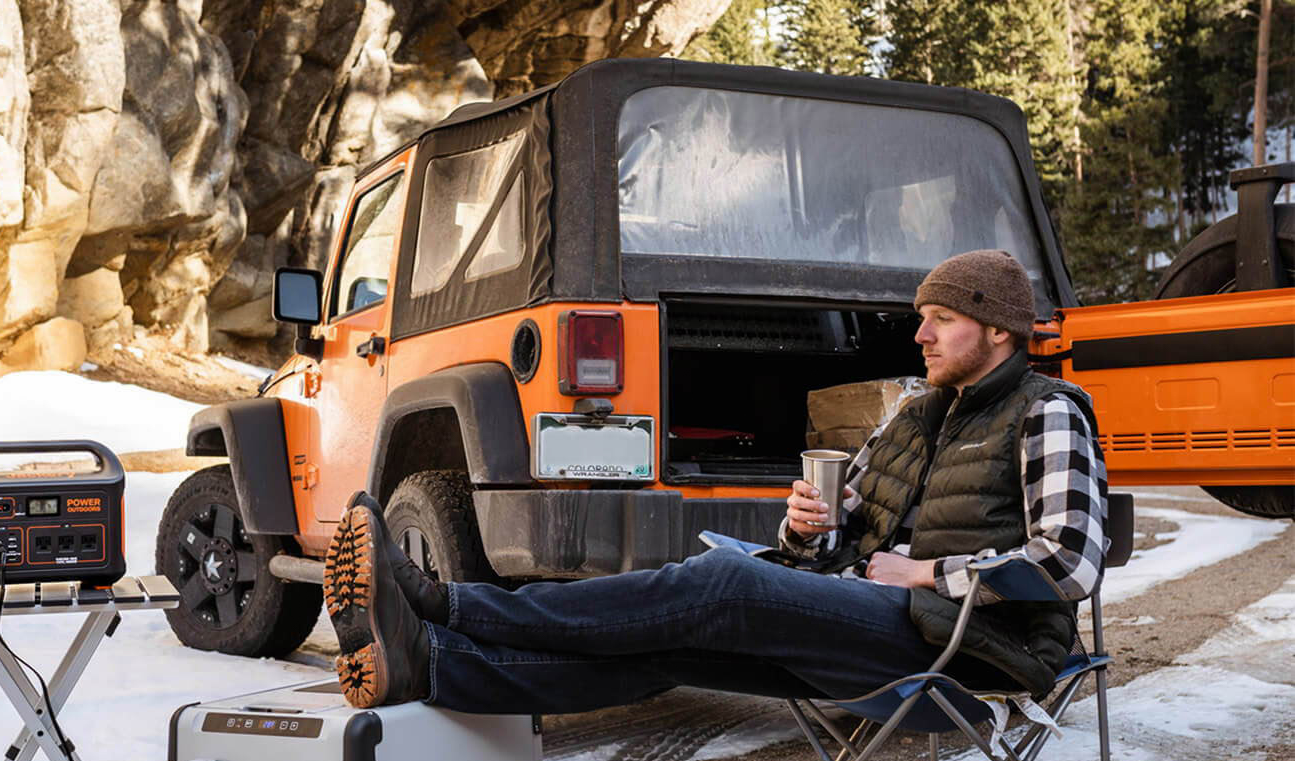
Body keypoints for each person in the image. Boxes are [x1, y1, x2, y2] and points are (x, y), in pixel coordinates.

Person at [322, 249, 1109, 714]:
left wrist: (930, 572)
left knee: (720, 588)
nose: (921, 333)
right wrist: (808, 528)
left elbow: (1071, 563)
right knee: (672, 641)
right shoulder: (913, 416)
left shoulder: (1047, 415)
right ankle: (432, 664)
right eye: (921, 316)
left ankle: (442, 601)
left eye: (941, 318)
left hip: (970, 647)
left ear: (999, 330)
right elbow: (831, 548)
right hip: (877, 616)